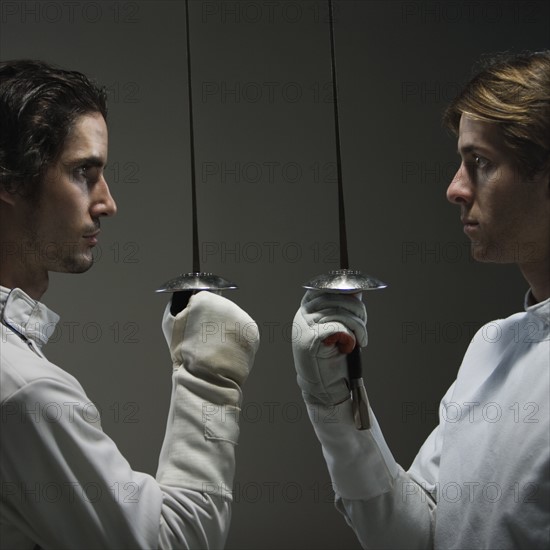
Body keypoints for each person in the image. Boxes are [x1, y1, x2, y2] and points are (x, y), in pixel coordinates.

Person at [292, 51, 549, 549]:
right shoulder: (492, 347)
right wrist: (336, 404)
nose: (455, 188)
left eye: (480, 163)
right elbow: (419, 535)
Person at [0, 59, 260, 549]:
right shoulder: (24, 394)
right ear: (10, 181)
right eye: (83, 173)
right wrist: (210, 375)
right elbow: (171, 542)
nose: (107, 202)